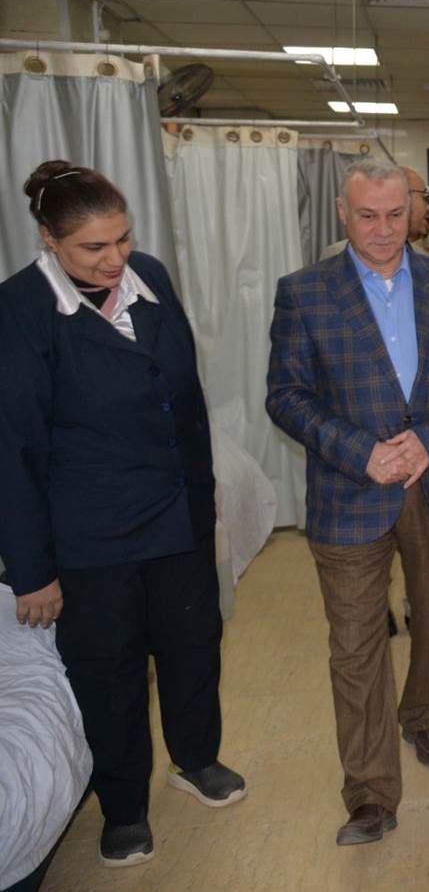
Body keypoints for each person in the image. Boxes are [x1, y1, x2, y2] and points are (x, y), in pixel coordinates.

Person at [0, 160, 245, 869]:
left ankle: (197, 758)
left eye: (122, 239)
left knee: (193, 646)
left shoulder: (151, 278)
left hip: (177, 515)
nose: (114, 259)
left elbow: (188, 402)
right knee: (109, 673)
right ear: (49, 239)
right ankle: (124, 807)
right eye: (93, 247)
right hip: (92, 534)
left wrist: (203, 501)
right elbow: (12, 447)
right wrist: (32, 570)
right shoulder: (20, 309)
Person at [265, 159, 429, 847]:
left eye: (394, 214)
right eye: (367, 216)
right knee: (356, 647)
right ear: (342, 212)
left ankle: (423, 714)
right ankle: (369, 794)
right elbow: (286, 396)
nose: (383, 230)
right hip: (348, 489)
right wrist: (362, 451)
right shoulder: (304, 292)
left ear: (412, 211)